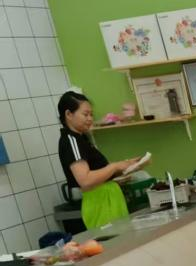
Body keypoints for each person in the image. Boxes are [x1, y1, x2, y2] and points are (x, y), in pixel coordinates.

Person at [57, 91, 141, 229]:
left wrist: (125, 167)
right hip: (99, 204)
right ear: (69, 114)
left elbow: (97, 171)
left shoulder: (81, 138)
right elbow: (85, 180)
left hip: (108, 199)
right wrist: (114, 167)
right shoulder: (71, 140)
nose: (90, 118)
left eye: (91, 114)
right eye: (85, 114)